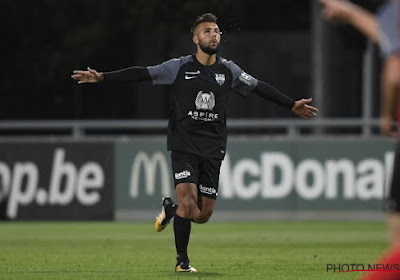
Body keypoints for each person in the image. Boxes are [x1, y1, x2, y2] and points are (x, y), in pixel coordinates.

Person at [71, 13, 318, 273]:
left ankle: (171, 209)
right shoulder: (178, 67)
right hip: (183, 143)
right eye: (207, 31)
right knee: (189, 201)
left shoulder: (228, 70)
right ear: (195, 38)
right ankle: (182, 263)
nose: (214, 35)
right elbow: (142, 74)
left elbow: (258, 87)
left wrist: (291, 104)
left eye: (217, 31)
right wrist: (104, 77)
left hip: (213, 147)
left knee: (202, 215)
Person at [319, 0, 400, 279]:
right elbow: (385, 35)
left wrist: (386, 114)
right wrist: (352, 14)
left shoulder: (395, 12)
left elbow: (396, 69)